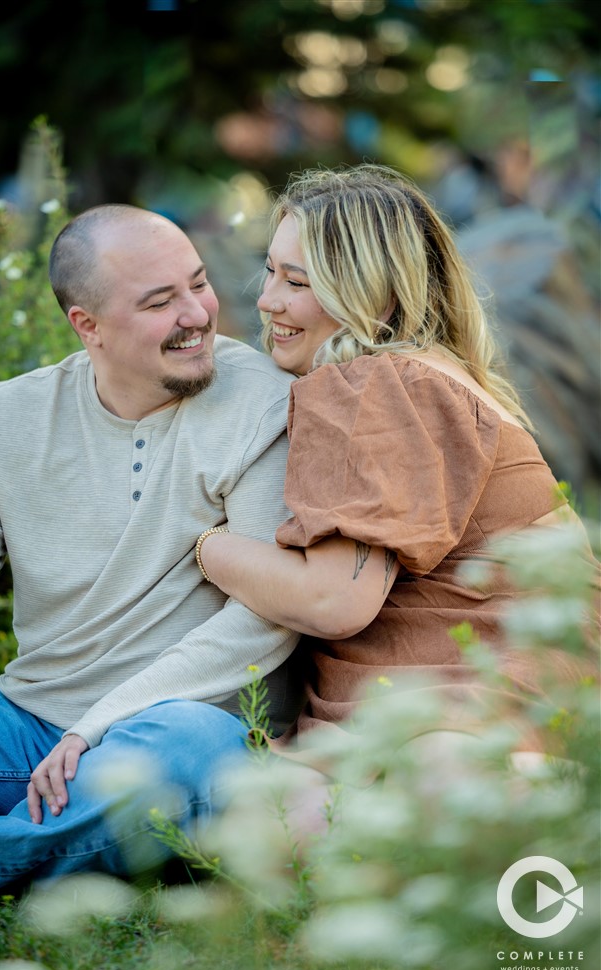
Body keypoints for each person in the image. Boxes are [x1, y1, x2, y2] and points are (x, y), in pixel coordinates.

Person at [0, 204, 300, 892]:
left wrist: (100, 725)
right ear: (87, 326)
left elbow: (263, 619)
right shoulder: (5, 416)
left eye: (197, 283)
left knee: (185, 751)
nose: (196, 314)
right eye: (160, 301)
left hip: (187, 727)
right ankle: (59, 833)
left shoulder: (265, 404)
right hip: (30, 723)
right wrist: (71, 731)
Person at [196, 163, 593, 776]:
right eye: (270, 270)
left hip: (467, 716)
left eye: (297, 281)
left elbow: (335, 600)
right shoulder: (432, 373)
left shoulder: (373, 384)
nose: (267, 298)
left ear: (371, 294)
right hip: (544, 695)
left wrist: (204, 542)